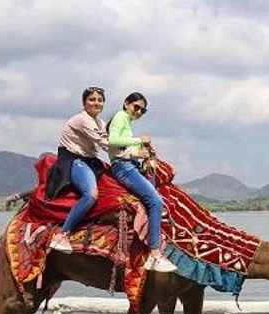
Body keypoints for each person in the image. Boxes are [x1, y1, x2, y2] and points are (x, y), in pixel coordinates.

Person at [107, 92, 177, 273]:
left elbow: (122, 147)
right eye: (136, 107)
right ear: (126, 103)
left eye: (142, 110)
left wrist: (141, 151)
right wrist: (140, 141)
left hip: (128, 165)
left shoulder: (126, 122)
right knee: (155, 202)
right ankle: (154, 253)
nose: (138, 112)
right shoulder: (121, 116)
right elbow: (112, 141)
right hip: (124, 168)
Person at [45, 86, 109, 253]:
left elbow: (110, 141)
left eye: (100, 100)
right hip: (73, 160)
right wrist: (135, 149)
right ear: (84, 102)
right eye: (92, 99)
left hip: (90, 161)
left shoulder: (100, 123)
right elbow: (106, 144)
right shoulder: (82, 120)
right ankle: (62, 234)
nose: (96, 103)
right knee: (91, 194)